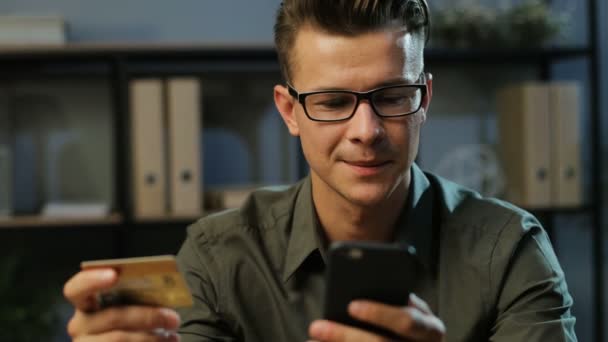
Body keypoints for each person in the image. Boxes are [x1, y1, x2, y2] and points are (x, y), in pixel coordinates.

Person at [63, 0, 578, 341]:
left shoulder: (510, 250)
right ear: (289, 112)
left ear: (424, 98)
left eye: (392, 96)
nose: (366, 130)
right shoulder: (219, 257)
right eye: (333, 102)